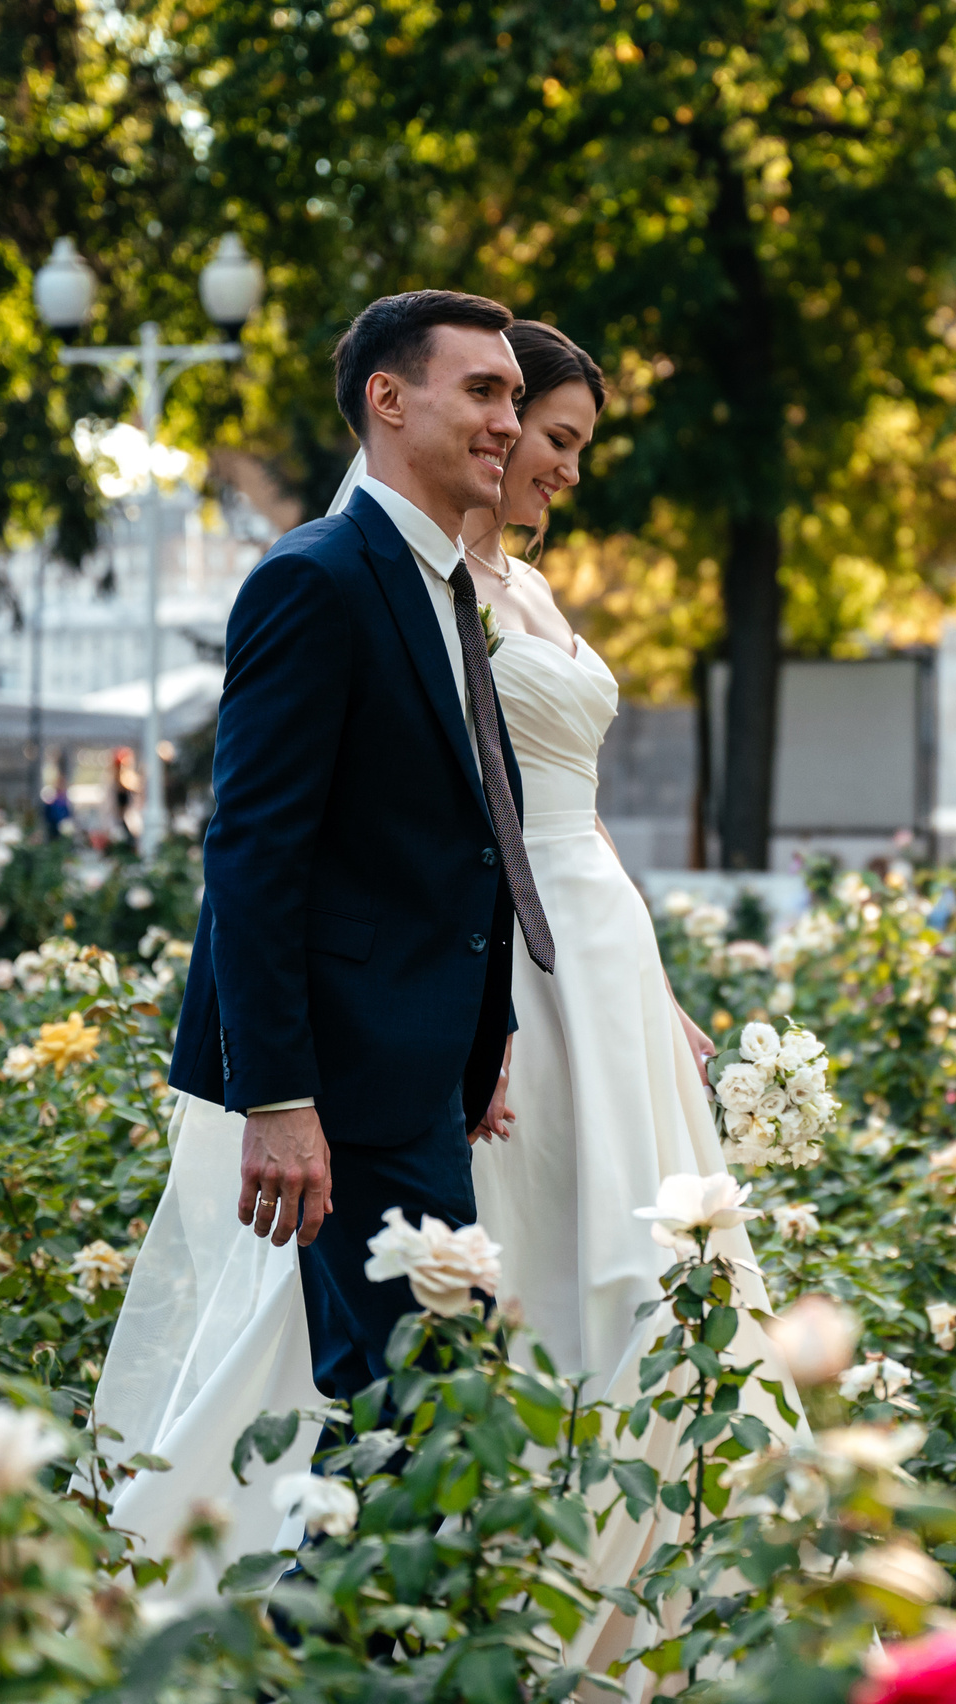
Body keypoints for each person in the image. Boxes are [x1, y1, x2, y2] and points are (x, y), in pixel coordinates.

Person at [351, 319, 801, 1678]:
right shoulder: (424, 590)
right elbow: (442, 812)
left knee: (662, 1250)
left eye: (571, 445)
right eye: (550, 435)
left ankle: (666, 1577)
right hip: (511, 957)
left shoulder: (530, 590)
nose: (559, 465)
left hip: (602, 952)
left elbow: (570, 805)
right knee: (560, 1242)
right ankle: (545, 1580)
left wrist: (648, 983)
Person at [91, 289, 544, 1588]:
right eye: (483, 391)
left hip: (418, 1074)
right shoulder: (316, 578)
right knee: (418, 1402)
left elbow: (457, 842)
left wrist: (481, 1040)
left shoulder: (444, 584)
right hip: (338, 1082)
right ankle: (330, 1643)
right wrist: (279, 1098)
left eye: (515, 397)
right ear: (387, 400)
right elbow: (253, 852)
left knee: (418, 1402)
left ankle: (344, 1643)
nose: (507, 422)